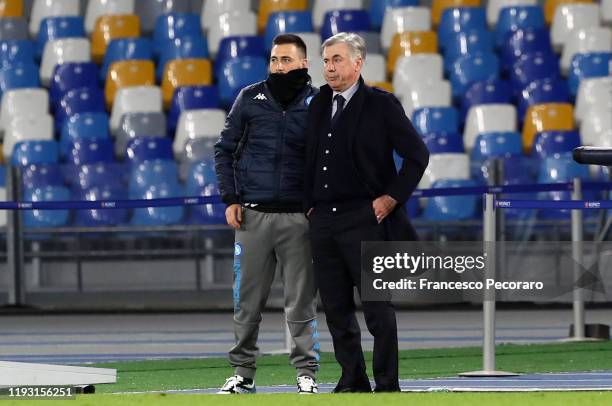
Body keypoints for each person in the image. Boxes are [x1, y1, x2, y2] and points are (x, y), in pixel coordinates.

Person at [304, 32, 430, 393]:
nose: (329, 67)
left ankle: (388, 384)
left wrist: (391, 198)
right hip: (324, 220)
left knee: (377, 309)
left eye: (337, 60)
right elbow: (308, 159)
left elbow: (417, 156)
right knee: (337, 309)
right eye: (326, 60)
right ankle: (353, 379)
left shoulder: (382, 104)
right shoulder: (316, 105)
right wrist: (308, 204)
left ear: (358, 64)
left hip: (366, 218)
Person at [214, 34, 320, 394]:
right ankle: (242, 373)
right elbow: (224, 150)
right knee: (246, 302)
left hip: (299, 219)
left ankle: (307, 373)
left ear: (304, 63)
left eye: (286, 60)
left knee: (301, 302)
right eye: (275, 60)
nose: (279, 66)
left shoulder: (319, 102)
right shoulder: (249, 97)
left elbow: (329, 158)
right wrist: (230, 198)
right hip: (252, 216)